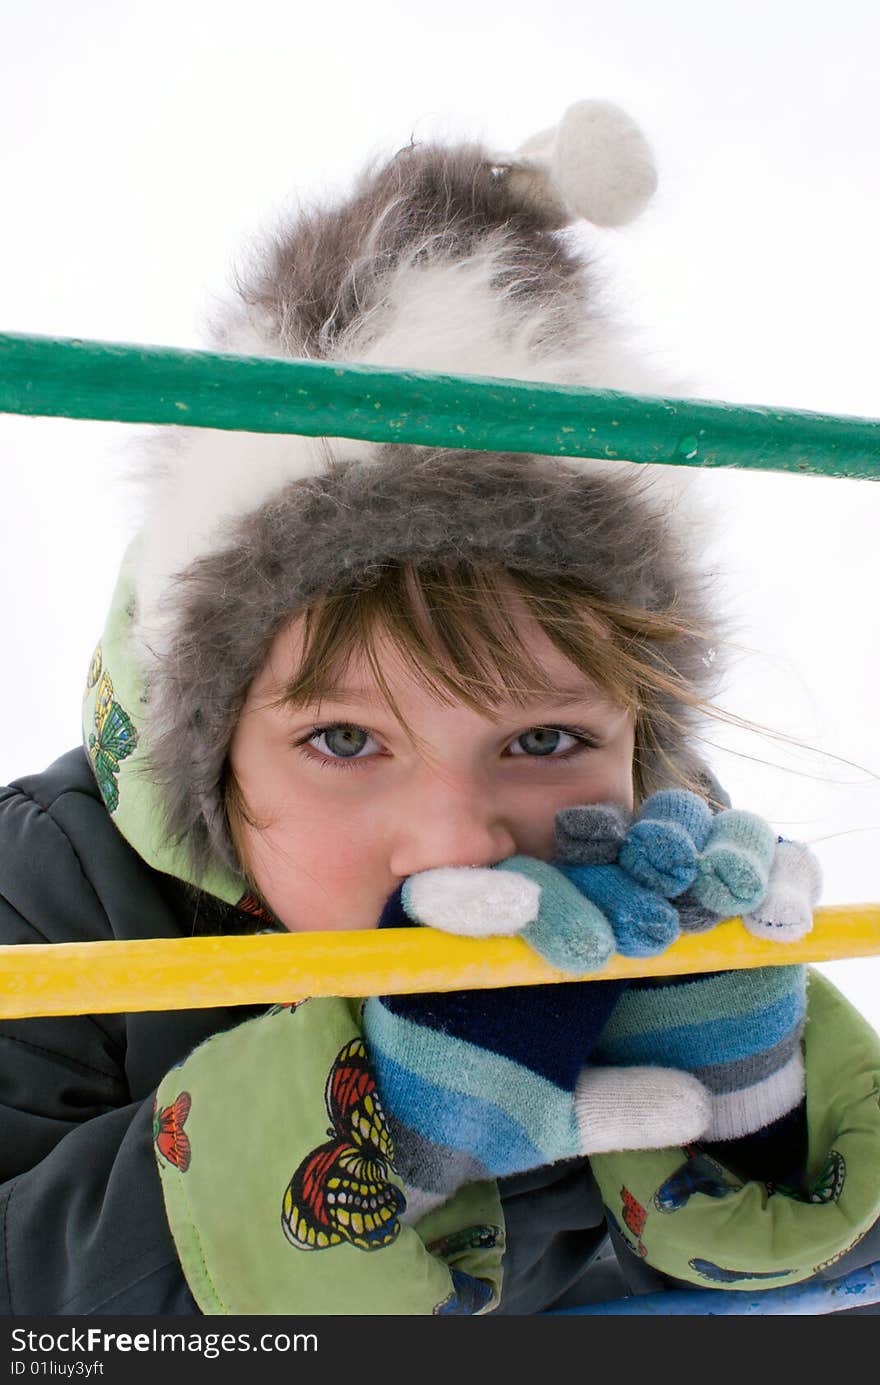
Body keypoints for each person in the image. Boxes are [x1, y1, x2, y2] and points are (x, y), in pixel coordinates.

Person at [2, 100, 879, 1317]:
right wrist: (367, 1132)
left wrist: (758, 1117)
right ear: (206, 751)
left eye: (544, 739)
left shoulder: (658, 890)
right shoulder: (53, 899)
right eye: (345, 739)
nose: (464, 840)